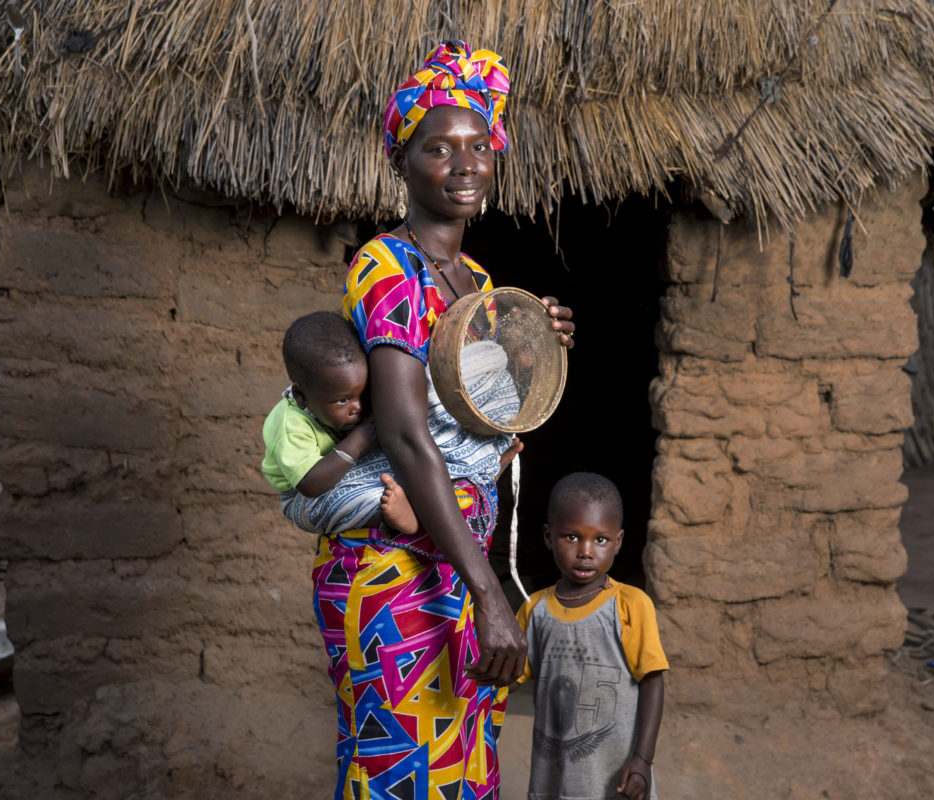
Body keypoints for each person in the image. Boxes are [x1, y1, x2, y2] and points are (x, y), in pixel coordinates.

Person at [311, 41, 575, 800]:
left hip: (454, 563)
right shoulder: (387, 268)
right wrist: (492, 593)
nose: (463, 164)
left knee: (462, 762)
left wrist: (535, 343)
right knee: (398, 768)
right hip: (393, 568)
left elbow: (485, 412)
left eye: (477, 146)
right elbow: (401, 433)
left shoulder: (480, 281)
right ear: (402, 162)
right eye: (438, 147)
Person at [515, 473, 668, 800]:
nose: (585, 552)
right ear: (548, 536)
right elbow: (510, 677)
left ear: (619, 541)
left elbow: (653, 679)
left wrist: (642, 759)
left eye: (600, 540)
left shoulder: (630, 604)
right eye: (571, 537)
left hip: (615, 777)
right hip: (553, 777)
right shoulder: (535, 609)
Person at [259, 311, 418, 533]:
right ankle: (385, 517)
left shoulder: (344, 399)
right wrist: (357, 443)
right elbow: (310, 483)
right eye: (344, 400)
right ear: (301, 396)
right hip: (306, 495)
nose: (358, 407)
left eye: (363, 393)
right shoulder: (289, 426)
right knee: (334, 505)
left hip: (347, 469)